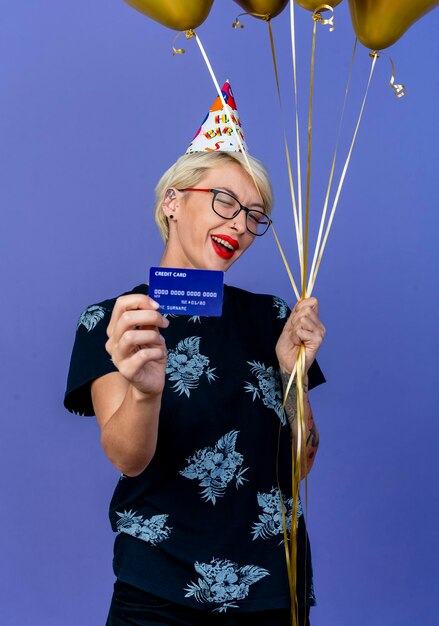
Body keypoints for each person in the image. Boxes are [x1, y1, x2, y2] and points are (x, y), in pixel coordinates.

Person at [64, 83, 326, 626]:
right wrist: (144, 388)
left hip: (270, 587)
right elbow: (127, 458)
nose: (239, 225)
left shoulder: (274, 317)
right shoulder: (115, 319)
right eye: (225, 201)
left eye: (254, 215)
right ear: (172, 201)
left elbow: (299, 464)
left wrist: (290, 373)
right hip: (157, 590)